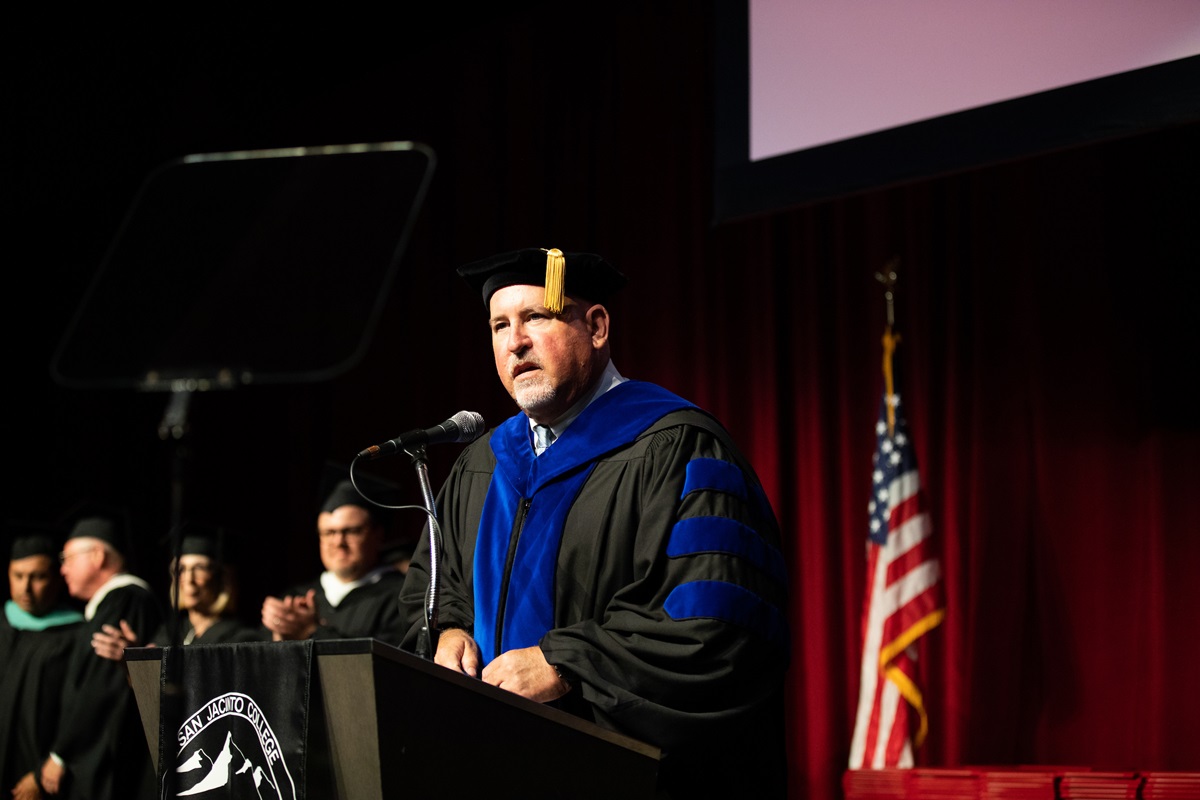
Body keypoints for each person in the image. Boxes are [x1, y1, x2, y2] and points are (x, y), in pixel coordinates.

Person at [398, 247, 791, 798]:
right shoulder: (481, 464)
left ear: (598, 327)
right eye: (499, 325)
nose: (515, 342)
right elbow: (434, 588)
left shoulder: (675, 448)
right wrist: (448, 631)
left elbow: (716, 630)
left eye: (537, 317)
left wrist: (565, 663)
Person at [40, 515, 163, 800]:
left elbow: (102, 686)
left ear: (97, 556)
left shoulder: (127, 599)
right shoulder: (111, 603)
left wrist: (61, 754)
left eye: (68, 557)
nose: (62, 569)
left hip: (106, 756)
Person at [261, 479, 408, 644]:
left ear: (378, 534)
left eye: (351, 531)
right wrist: (280, 637)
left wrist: (311, 632)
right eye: (329, 532)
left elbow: (388, 664)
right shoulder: (295, 599)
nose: (338, 542)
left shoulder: (403, 597)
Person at [90, 520, 263, 660]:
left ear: (221, 577)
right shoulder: (169, 634)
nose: (189, 579)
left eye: (200, 568)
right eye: (180, 569)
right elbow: (153, 695)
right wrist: (132, 661)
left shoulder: (242, 639)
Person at [0, 526, 83, 800]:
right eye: (18, 576)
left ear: (57, 579)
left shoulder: (75, 635)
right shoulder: (3, 623)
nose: (26, 588)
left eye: (37, 577)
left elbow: (77, 714)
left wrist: (40, 772)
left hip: (36, 776)